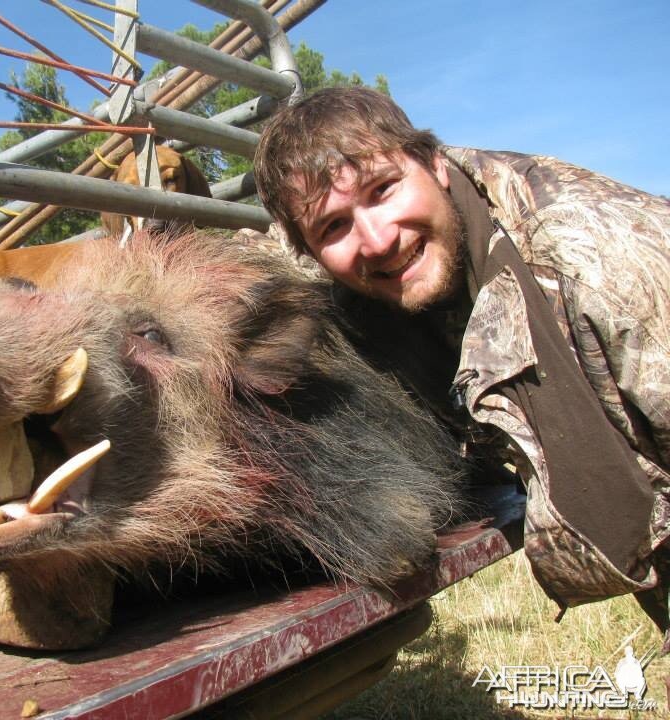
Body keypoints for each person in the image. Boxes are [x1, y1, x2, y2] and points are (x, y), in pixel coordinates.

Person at [252, 86, 670, 635]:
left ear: (434, 163)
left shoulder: (603, 264)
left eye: (384, 190)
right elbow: (258, 264)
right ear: (309, 250)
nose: (377, 241)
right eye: (334, 225)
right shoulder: (408, 242)